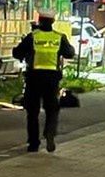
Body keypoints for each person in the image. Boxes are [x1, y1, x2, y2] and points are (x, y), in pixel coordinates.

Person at [12, 9, 75, 153]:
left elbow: (17, 53)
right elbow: (70, 53)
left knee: (32, 112)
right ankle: (50, 133)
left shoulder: (32, 36)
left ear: (39, 20)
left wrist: (23, 51)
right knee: (52, 109)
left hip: (34, 79)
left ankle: (33, 143)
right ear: (53, 21)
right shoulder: (59, 37)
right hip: (52, 80)